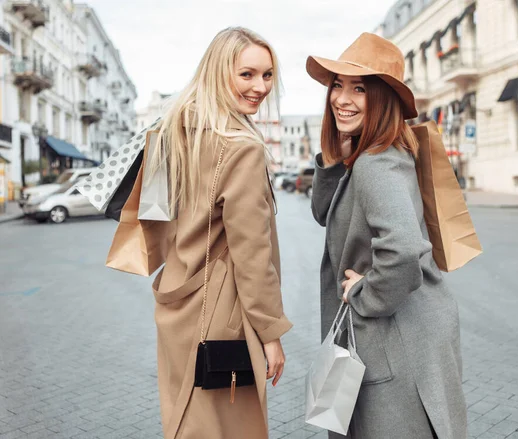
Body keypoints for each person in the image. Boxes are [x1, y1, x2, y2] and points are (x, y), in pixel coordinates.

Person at [307, 33, 467, 439]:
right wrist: (333, 158)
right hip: (398, 336)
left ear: (383, 98)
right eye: (337, 85)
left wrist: (363, 294)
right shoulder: (369, 154)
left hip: (395, 340)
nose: (341, 98)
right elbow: (323, 213)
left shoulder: (376, 163)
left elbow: (403, 250)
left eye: (358, 88)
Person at [149, 27, 292, 439]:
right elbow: (252, 255)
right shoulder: (241, 148)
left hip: (178, 299)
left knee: (187, 423)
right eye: (247, 74)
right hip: (222, 312)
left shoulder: (172, 133)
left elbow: (156, 219)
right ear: (218, 71)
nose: (260, 87)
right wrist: (271, 333)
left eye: (267, 76)